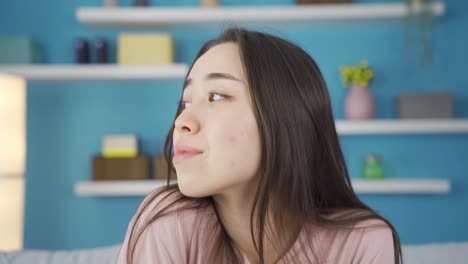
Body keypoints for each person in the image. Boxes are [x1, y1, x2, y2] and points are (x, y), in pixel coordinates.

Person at [117, 27, 402, 264]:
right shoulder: (170, 221)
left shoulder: (363, 240)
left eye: (216, 97)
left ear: (285, 118)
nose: (182, 121)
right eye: (185, 102)